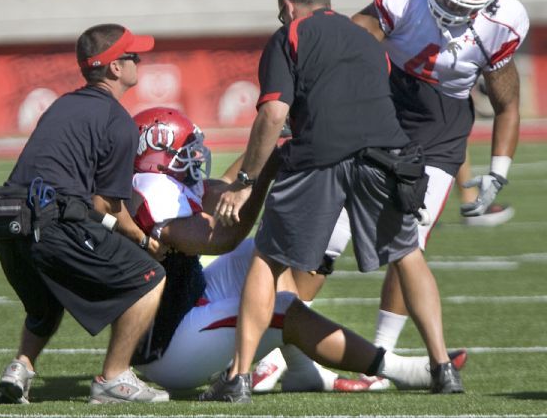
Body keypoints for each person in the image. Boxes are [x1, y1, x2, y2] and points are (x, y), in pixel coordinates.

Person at [199, 0, 462, 403]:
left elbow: (273, 114)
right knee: (407, 253)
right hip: (387, 157)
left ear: (287, 6)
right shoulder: (367, 38)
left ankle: (239, 376)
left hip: (318, 159)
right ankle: (442, 367)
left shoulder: (290, 36)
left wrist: (244, 181)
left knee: (269, 260)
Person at [126, 107, 451, 396]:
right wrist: (263, 177)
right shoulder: (153, 192)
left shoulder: (161, 184)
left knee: (263, 259)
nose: (195, 157)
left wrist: (266, 143)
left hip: (179, 305)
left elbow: (223, 189)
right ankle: (396, 370)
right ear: (158, 154)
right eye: (185, 151)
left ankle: (301, 370)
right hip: (167, 349)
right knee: (281, 307)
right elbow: (221, 240)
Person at [340, 0, 528, 390]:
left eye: (465, 1)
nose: (449, 7)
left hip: (441, 125)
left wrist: (498, 172)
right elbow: (357, 35)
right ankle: (288, 343)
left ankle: (382, 358)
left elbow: (507, 106)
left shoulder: (500, 25)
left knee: (409, 240)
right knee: (331, 227)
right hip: (387, 99)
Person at [0, 24, 169, 404]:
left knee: (45, 303)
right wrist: (144, 240)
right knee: (150, 277)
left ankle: (20, 367)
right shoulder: (117, 120)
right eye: (133, 56)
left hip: (6, 225)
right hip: (48, 226)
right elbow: (107, 205)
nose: (139, 61)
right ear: (115, 68)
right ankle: (114, 379)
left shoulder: (62, 104)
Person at [387, 0, 515, 228]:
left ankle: (455, 199)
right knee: (446, 122)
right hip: (427, 52)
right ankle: (465, 202)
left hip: (405, 52)